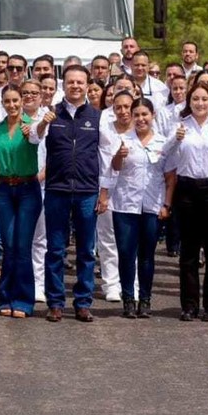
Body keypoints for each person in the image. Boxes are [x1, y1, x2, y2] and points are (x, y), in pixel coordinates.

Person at [30, 65, 102, 322]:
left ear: (87, 85)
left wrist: (103, 192)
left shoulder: (97, 117)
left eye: (80, 82)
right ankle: (56, 303)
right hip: (57, 190)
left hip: (86, 191)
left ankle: (83, 303)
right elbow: (34, 141)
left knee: (85, 251)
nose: (75, 86)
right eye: (71, 82)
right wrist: (41, 125)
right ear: (64, 85)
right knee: (56, 249)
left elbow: (102, 156)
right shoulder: (51, 114)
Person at [161, 84, 208, 321]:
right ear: (188, 102)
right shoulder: (180, 127)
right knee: (189, 250)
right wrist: (174, 140)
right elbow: (164, 156)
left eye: (204, 99)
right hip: (187, 190)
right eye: (195, 99)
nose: (200, 103)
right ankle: (189, 305)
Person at [106, 98, 171, 319]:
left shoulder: (163, 142)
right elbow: (114, 168)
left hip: (152, 205)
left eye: (145, 114)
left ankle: (145, 299)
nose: (141, 119)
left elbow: (170, 176)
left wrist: (167, 204)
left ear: (152, 116)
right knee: (125, 253)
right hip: (125, 204)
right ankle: (128, 299)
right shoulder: (123, 140)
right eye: (137, 115)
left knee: (146, 255)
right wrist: (118, 156)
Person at [0, 85, 44, 317]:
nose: (12, 105)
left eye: (16, 101)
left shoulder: (30, 128)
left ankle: (23, 300)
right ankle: (6, 297)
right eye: (7, 101)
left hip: (27, 189)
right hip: (3, 189)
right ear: (2, 103)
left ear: (22, 101)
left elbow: (39, 135)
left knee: (22, 246)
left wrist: (38, 126)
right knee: (9, 245)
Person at [95, 90, 136, 302]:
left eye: (127, 106)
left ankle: (132, 283)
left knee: (131, 242)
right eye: (118, 107)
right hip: (107, 189)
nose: (123, 111)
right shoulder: (104, 130)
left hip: (134, 192)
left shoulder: (141, 130)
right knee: (108, 239)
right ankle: (111, 283)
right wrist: (102, 192)